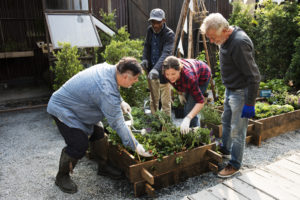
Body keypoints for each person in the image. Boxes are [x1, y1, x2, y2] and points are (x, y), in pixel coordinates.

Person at [47, 57, 152, 194]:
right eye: (135, 78)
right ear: (125, 76)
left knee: (99, 132)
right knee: (79, 144)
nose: (136, 81)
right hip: (64, 108)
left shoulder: (110, 69)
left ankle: (103, 166)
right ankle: (62, 176)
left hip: (80, 106)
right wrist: (136, 145)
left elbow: (112, 87)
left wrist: (121, 101)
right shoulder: (105, 89)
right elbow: (117, 123)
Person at [200, 13, 261, 178]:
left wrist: (249, 103)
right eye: (210, 38)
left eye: (213, 37)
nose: (212, 42)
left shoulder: (239, 43)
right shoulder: (225, 38)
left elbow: (254, 76)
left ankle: (234, 164)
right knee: (225, 122)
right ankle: (225, 150)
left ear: (225, 30)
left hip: (241, 93)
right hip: (230, 90)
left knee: (237, 131)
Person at [162, 56, 211, 134]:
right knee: (188, 106)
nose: (170, 77)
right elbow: (175, 83)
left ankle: (196, 136)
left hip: (203, 75)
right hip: (192, 73)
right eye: (167, 74)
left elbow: (200, 102)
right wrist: (180, 93)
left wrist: (188, 118)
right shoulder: (167, 73)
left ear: (179, 69)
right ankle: (191, 132)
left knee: (189, 110)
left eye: (173, 74)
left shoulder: (189, 78)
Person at [140, 8, 175, 117]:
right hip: (152, 72)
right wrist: (145, 58)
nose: (155, 25)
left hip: (164, 72)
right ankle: (155, 125)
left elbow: (166, 53)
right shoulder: (149, 30)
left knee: (165, 103)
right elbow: (147, 46)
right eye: (153, 22)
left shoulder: (169, 34)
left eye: (158, 22)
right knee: (153, 100)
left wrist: (156, 68)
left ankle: (166, 128)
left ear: (163, 21)